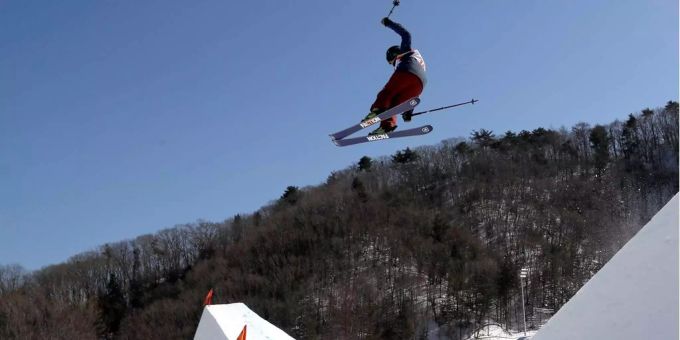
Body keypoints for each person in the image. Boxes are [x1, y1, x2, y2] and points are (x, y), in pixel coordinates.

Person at [364, 17, 427, 135]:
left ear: (394, 54)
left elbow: (406, 35)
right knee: (392, 105)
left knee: (386, 93)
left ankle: (377, 110)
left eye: (393, 61)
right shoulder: (419, 59)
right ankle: (387, 126)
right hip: (420, 84)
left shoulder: (405, 50)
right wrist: (408, 112)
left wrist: (389, 23)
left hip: (408, 71)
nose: (394, 65)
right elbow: (411, 99)